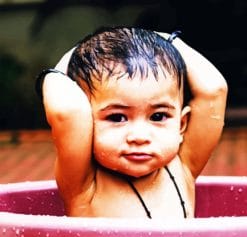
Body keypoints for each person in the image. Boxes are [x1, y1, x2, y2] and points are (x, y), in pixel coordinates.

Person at [37, 26, 227, 219]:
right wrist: (62, 66)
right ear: (88, 125)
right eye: (117, 117)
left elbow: (214, 90)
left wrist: (165, 40)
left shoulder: (183, 167)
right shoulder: (84, 184)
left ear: (181, 125)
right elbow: (68, 111)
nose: (139, 137)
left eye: (158, 116)